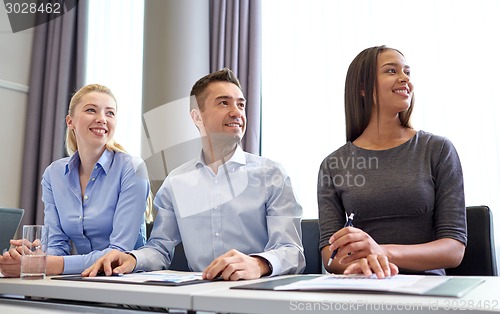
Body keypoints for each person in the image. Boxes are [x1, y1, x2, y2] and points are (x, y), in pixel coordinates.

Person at [82, 68, 305, 281]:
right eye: (224, 103)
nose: (237, 112)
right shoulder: (176, 182)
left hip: (257, 296)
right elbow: (160, 248)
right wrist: (132, 258)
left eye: (241, 105)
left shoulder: (271, 174)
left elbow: (292, 251)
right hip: (197, 298)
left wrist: (258, 264)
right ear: (197, 116)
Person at [318, 45, 466, 277]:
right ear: (363, 88)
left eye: (407, 72)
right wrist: (363, 264)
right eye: (391, 71)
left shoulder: (437, 150)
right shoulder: (333, 164)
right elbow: (329, 257)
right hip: (363, 286)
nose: (405, 79)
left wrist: (380, 252)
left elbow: (454, 249)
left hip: (425, 290)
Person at [0, 84, 151, 277]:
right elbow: (56, 246)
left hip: (125, 284)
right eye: (91, 110)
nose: (102, 119)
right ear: (70, 121)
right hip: (80, 280)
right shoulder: (53, 174)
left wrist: (49, 265)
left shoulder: (132, 169)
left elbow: (117, 253)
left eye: (110, 113)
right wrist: (34, 257)